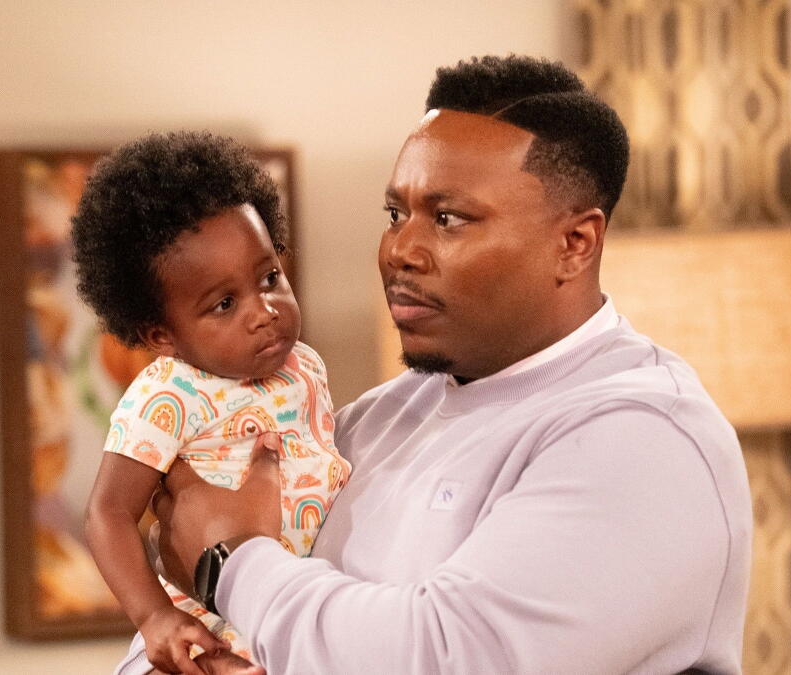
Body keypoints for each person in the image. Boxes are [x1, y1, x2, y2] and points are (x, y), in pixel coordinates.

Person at [127, 55, 753, 674]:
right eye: (396, 214)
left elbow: (446, 658)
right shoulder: (372, 421)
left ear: (574, 243)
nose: (400, 250)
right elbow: (175, 636)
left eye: (448, 219)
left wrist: (232, 561)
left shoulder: (647, 437)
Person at [72, 131, 350, 675]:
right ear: (161, 335)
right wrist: (155, 617)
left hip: (297, 610)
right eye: (224, 304)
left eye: (269, 278)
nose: (264, 311)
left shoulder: (304, 365)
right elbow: (108, 513)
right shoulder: (166, 395)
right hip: (211, 626)